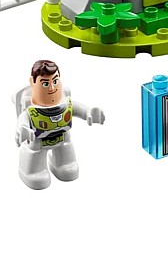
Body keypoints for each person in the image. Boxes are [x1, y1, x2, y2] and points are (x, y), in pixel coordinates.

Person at [15, 59, 105, 190]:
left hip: (62, 138)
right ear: (33, 83)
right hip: (38, 141)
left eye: (55, 81)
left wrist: (88, 113)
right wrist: (23, 129)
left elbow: (76, 108)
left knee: (68, 163)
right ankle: (33, 171)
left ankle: (63, 164)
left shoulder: (65, 102)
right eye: (45, 84)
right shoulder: (31, 109)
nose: (52, 88)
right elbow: (23, 119)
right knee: (35, 155)